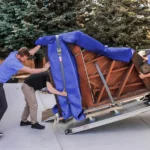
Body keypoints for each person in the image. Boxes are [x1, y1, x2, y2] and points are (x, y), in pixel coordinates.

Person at [0, 45, 50, 136]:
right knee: (3, 106)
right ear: (19, 56)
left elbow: (30, 52)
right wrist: (44, 69)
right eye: (24, 59)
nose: (25, 60)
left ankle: (24, 121)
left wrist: (39, 44)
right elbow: (30, 71)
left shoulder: (14, 53)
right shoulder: (14, 62)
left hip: (1, 83)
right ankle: (32, 123)